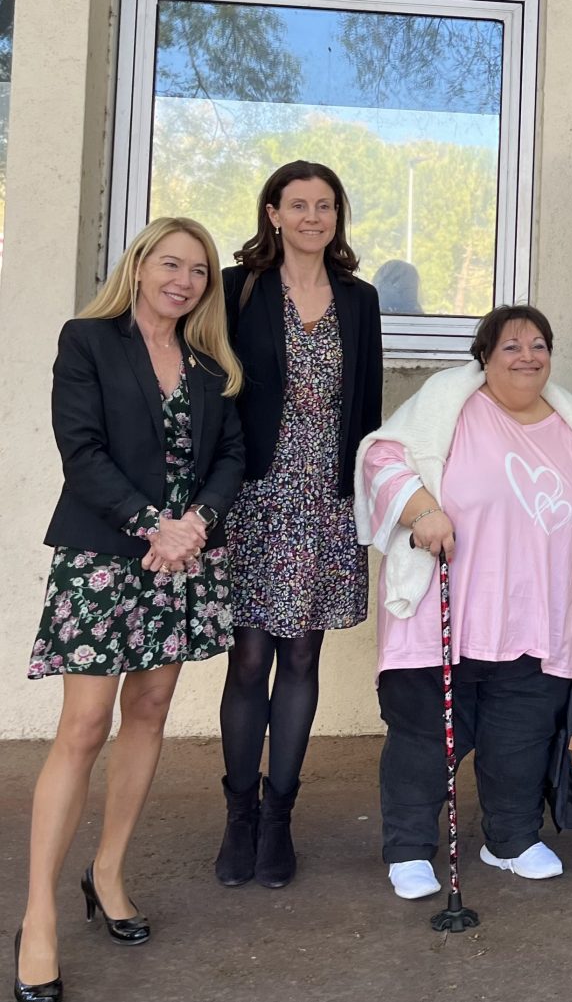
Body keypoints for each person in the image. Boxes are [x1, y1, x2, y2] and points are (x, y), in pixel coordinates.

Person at [15, 218, 244, 1001]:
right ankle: (39, 912)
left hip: (182, 559)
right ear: (140, 266)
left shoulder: (211, 365)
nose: (183, 279)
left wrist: (197, 526)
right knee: (82, 727)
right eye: (170, 263)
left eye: (198, 270)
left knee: (148, 712)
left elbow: (230, 457)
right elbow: (80, 451)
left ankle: (107, 871)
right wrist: (157, 527)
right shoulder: (88, 340)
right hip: (107, 555)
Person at [354, 305, 572, 901]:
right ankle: (408, 847)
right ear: (484, 356)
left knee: (520, 740)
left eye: (538, 344)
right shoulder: (448, 408)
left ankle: (509, 839)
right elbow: (381, 455)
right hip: (445, 615)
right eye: (510, 346)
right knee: (426, 739)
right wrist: (421, 509)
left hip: (539, 618)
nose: (527, 355)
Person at [215, 160, 384, 890]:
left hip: (323, 499)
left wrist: (366, 499)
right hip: (254, 493)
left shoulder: (359, 297)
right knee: (250, 658)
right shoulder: (236, 288)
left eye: (326, 205)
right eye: (300, 204)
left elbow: (367, 404)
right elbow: (210, 390)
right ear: (273, 212)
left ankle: (280, 814)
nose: (313, 216)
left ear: (337, 216)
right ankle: (239, 813)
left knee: (303, 658)